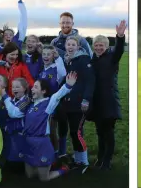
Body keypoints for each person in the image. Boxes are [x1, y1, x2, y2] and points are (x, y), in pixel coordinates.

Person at [2, 72, 78, 181]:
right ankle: (54, 162)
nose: (32, 89)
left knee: (44, 179)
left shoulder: (48, 104)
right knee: (30, 176)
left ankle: (66, 167)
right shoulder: (30, 103)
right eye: (33, 87)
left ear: (43, 91)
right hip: (28, 143)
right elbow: (15, 112)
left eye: (36, 87)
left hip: (41, 144)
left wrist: (68, 85)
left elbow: (57, 96)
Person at [89, 20, 127, 170]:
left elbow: (119, 49)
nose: (98, 48)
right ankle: (100, 157)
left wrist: (120, 36)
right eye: (96, 45)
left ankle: (107, 160)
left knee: (108, 132)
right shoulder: (93, 60)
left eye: (101, 45)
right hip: (96, 101)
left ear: (106, 46)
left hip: (109, 100)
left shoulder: (112, 57)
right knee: (99, 131)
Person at [56, 35, 96, 174]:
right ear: (65, 46)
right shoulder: (67, 61)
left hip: (80, 103)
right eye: (68, 44)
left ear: (78, 47)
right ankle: (78, 159)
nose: (70, 47)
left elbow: (90, 81)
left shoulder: (83, 59)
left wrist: (86, 99)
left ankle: (84, 161)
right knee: (73, 133)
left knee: (76, 132)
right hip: (69, 103)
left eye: (73, 45)